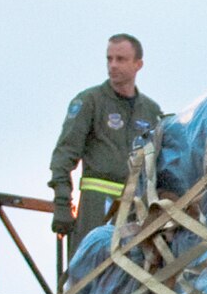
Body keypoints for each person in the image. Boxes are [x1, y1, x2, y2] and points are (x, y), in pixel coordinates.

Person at [49, 34, 163, 260]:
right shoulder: (90, 101)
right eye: (109, 59)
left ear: (138, 64)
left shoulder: (151, 111)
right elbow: (64, 155)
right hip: (96, 208)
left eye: (120, 59)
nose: (113, 65)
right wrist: (62, 202)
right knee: (88, 272)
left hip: (136, 210)